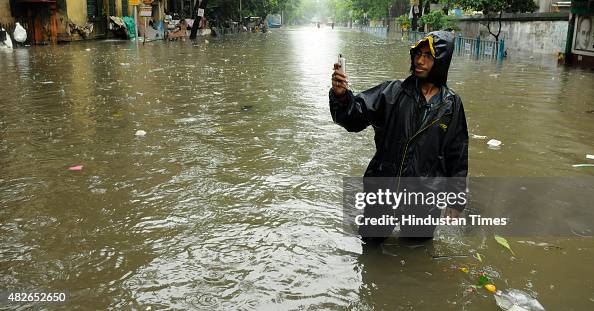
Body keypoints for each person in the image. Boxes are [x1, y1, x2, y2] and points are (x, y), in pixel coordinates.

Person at [329, 30, 468, 241]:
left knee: (416, 254)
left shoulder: (451, 105)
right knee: (371, 249)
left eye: (428, 56)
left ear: (441, 61)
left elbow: (457, 154)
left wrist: (456, 200)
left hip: (424, 198)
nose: (420, 61)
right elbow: (352, 119)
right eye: (417, 54)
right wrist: (341, 96)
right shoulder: (392, 93)